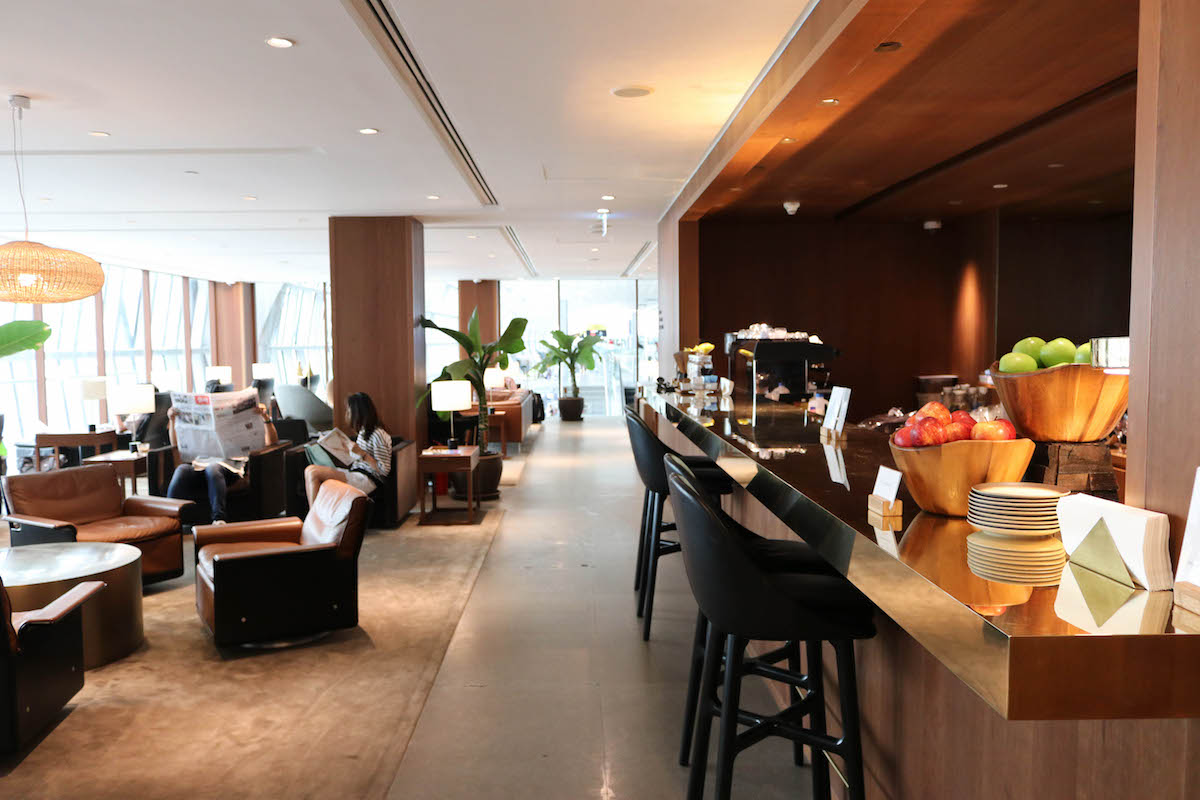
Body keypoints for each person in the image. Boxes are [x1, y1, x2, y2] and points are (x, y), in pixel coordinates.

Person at [166, 388, 278, 524]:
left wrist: (265, 417)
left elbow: (272, 443)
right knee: (181, 470)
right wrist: (172, 419)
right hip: (201, 465)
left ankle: (218, 519)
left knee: (213, 468)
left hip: (229, 468)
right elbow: (176, 445)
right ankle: (169, 516)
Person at [304, 392, 391, 504]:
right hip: (357, 474)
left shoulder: (378, 435)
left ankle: (313, 514)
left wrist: (363, 454)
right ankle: (315, 513)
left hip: (368, 479)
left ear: (357, 413)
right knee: (310, 470)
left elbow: (384, 471)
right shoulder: (363, 432)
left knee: (314, 472)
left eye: (349, 411)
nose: (347, 415)